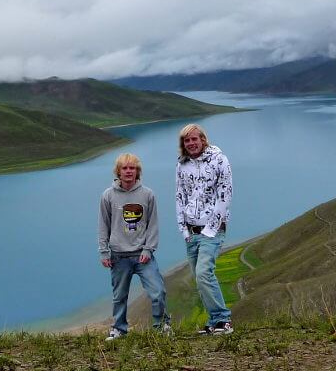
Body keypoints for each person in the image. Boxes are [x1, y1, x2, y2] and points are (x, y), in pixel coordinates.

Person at [98, 152, 170, 340]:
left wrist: (148, 249)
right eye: (125, 168)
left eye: (132, 168)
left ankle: (161, 326)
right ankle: (119, 329)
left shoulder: (147, 194)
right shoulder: (108, 195)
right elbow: (103, 225)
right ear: (118, 172)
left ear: (138, 171)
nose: (129, 171)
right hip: (118, 256)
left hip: (143, 256)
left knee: (158, 291)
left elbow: (152, 224)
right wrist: (104, 252)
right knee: (119, 296)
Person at [175, 123, 234, 334]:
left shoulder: (219, 160)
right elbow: (180, 196)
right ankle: (213, 321)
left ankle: (223, 320)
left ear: (203, 139)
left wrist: (211, 228)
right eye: (186, 140)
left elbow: (225, 195)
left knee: (203, 273)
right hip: (191, 232)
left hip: (212, 230)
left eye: (194, 139)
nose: (191, 143)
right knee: (201, 279)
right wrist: (183, 229)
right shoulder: (181, 165)